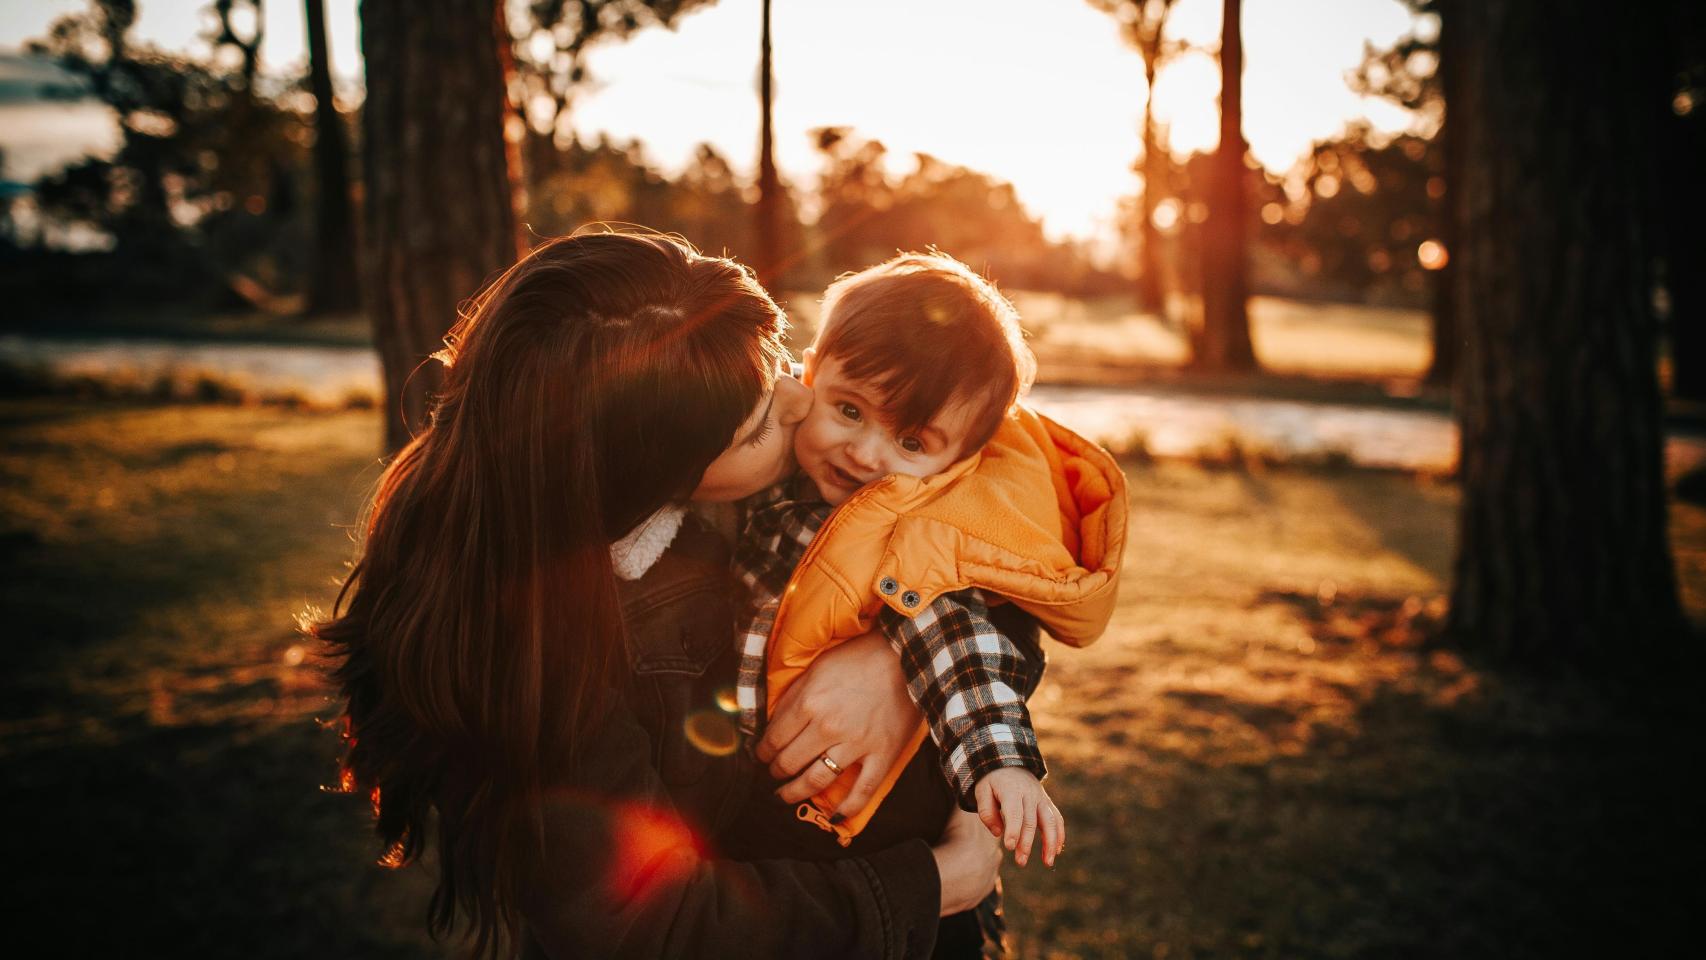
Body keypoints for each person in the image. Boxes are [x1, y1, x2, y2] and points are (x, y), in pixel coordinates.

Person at [309, 230, 1001, 959]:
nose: (802, 402)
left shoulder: (726, 462)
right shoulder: (546, 662)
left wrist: (892, 663)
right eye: (760, 423)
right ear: (653, 480)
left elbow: (1010, 549)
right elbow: (646, 927)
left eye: (777, 370)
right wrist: (929, 885)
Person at [730, 252, 1128, 868]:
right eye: (849, 409)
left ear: (959, 460)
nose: (864, 452)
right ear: (809, 373)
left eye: (911, 442)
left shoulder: (914, 536)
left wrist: (1003, 763)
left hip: (818, 804)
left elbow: (958, 643)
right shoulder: (761, 452)